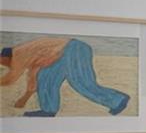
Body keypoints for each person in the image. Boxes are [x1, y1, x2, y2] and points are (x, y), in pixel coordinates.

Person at [0, 37, 131, 117]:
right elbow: (33, 77)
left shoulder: (18, 54)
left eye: (2, 62)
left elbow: (10, 78)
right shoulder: (29, 56)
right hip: (56, 57)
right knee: (45, 79)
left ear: (5, 57)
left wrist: (23, 99)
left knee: (81, 83)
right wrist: (25, 98)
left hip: (73, 49)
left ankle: (118, 100)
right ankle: (48, 110)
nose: (4, 65)